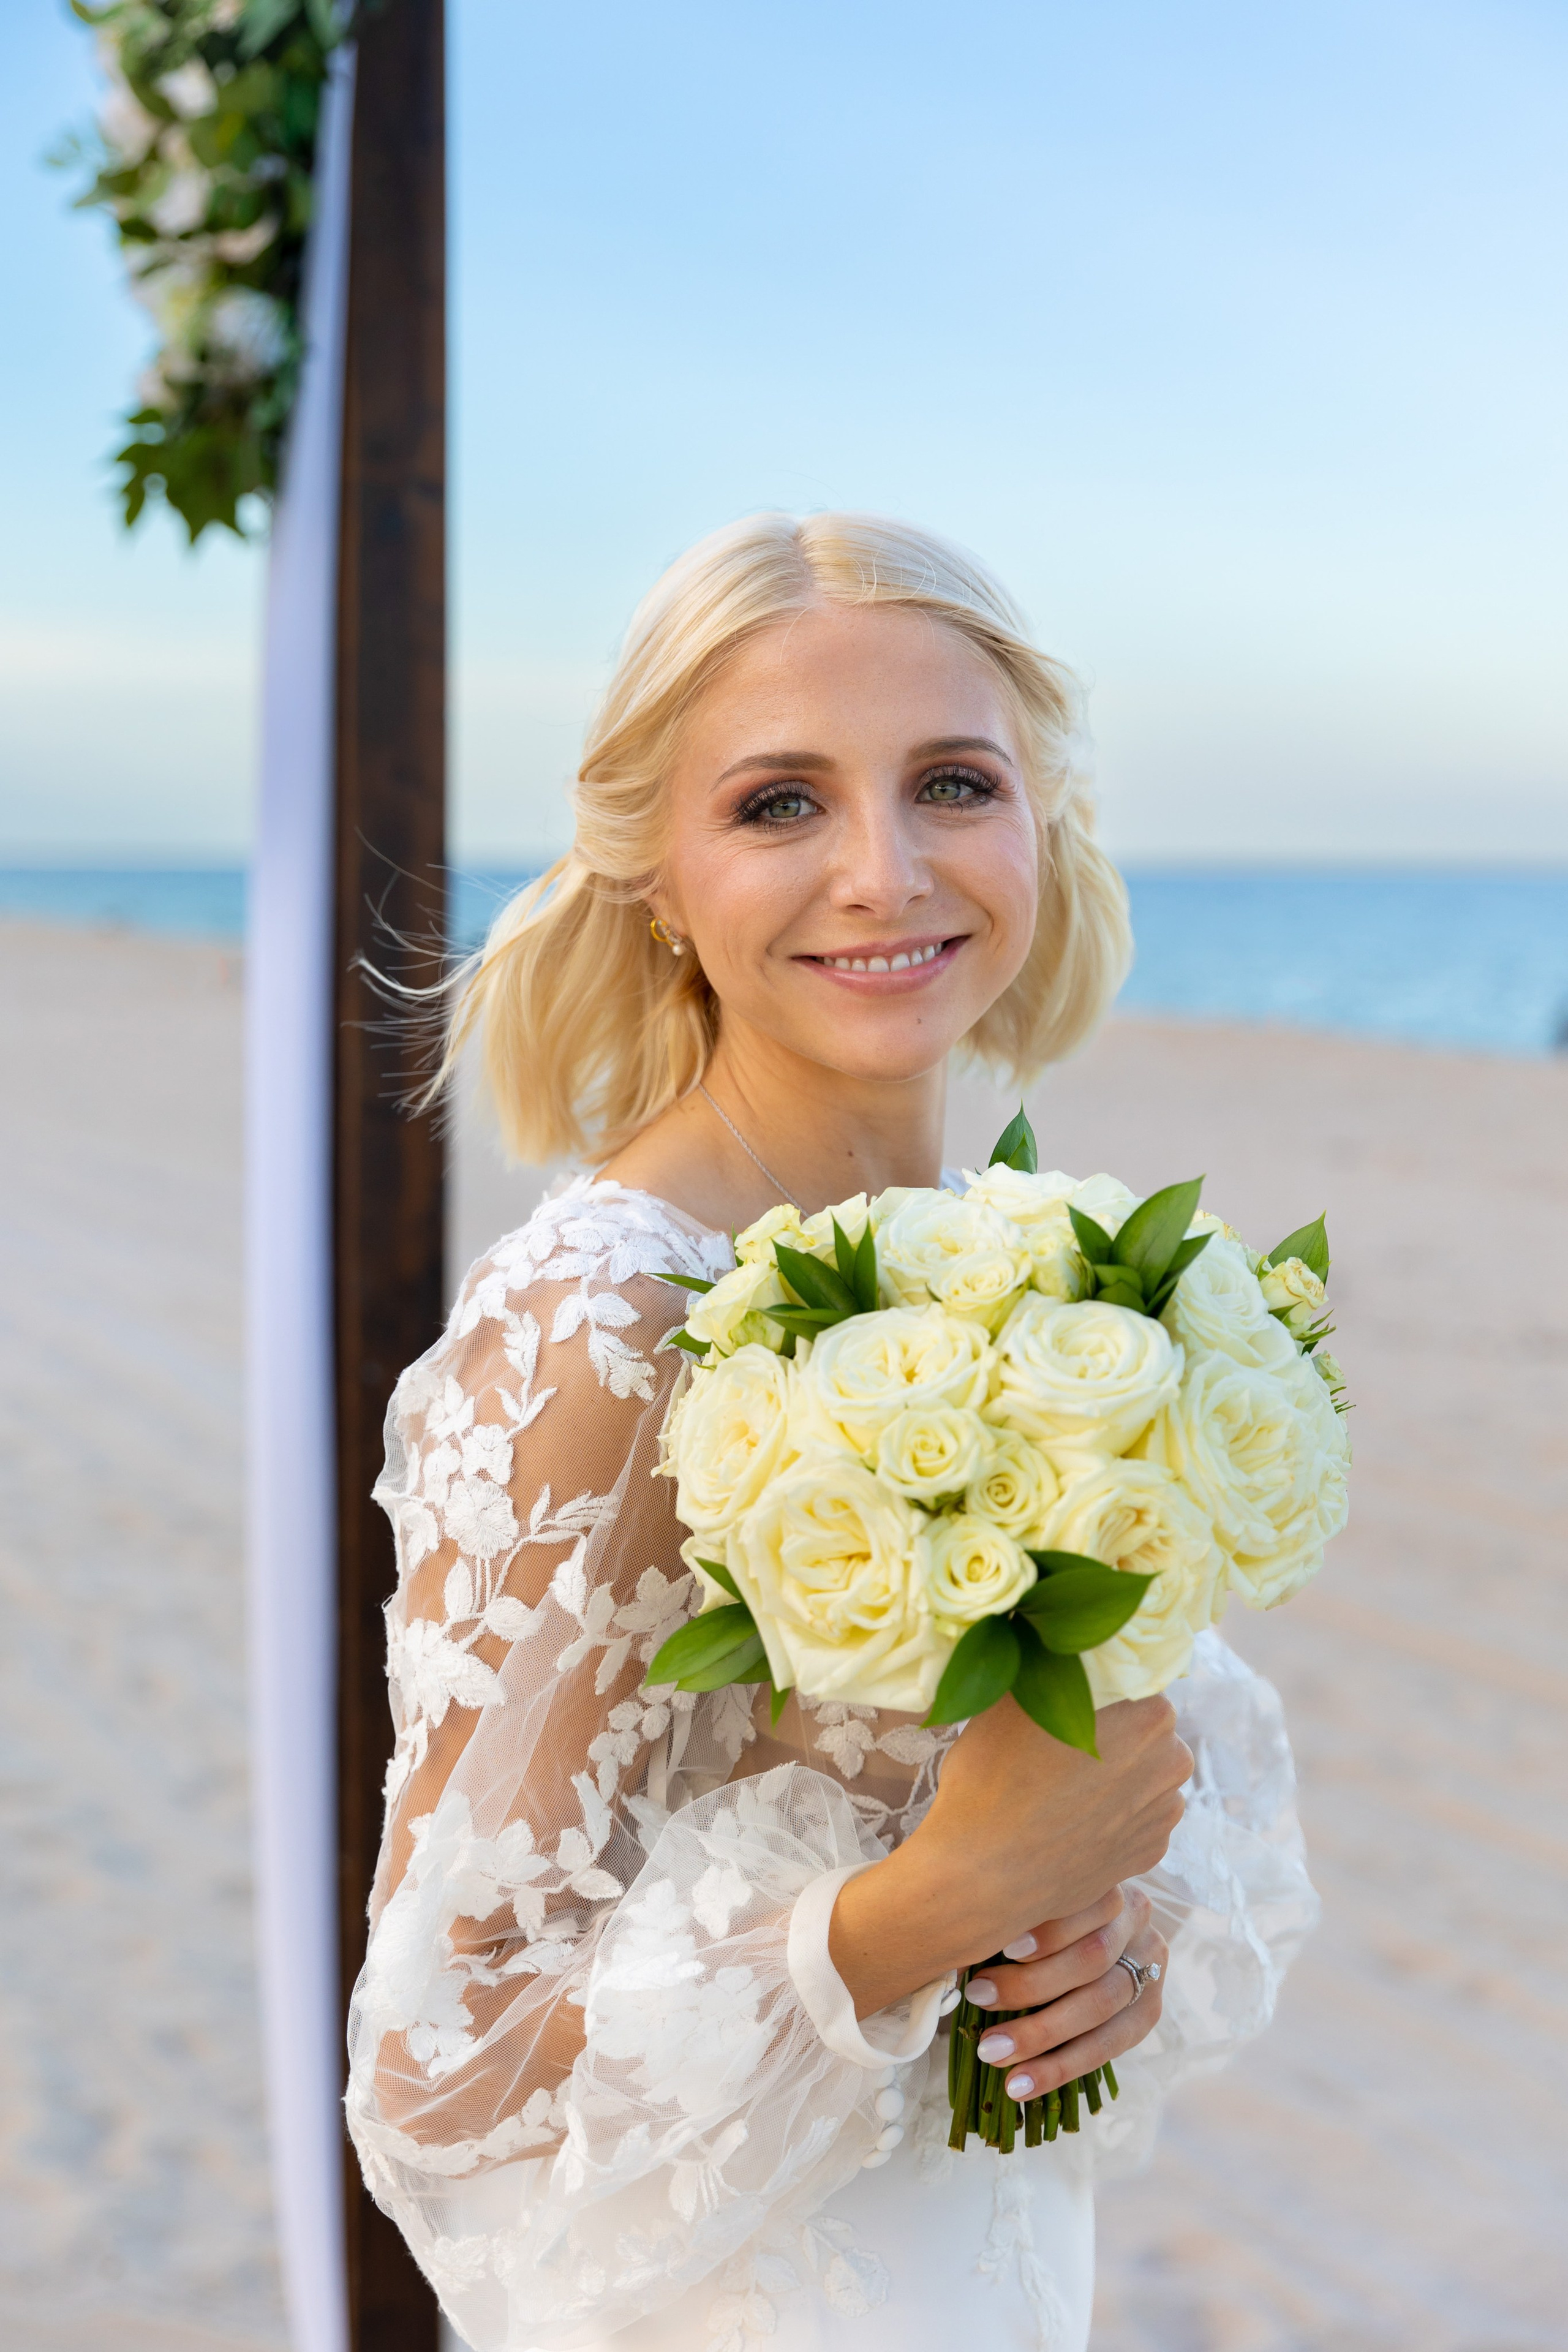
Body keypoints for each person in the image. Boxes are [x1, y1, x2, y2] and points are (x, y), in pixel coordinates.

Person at [345, 513, 1318, 2352]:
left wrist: (1108, 1944)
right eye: (780, 804)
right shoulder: (600, 1332)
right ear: (654, 868)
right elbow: (441, 2082)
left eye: (951, 783)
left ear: (1042, 823)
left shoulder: (1044, 1295)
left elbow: (1130, 1812)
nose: (884, 872)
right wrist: (919, 1908)